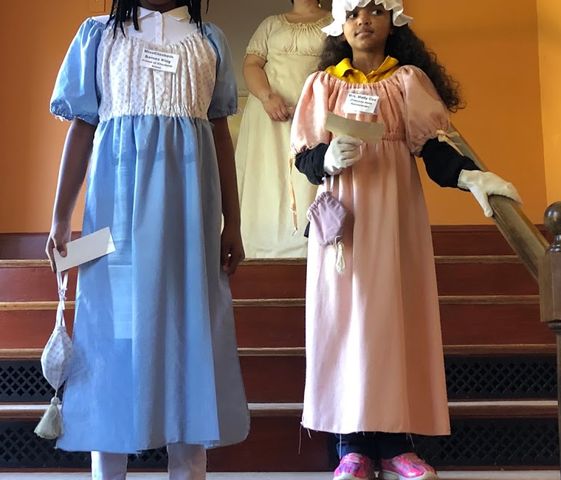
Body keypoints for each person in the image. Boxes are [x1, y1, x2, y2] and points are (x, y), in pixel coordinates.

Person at [290, 1, 521, 479]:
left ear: (394, 20)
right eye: (354, 13)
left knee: (395, 321)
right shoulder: (323, 85)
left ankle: (397, 445)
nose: (364, 20)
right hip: (345, 225)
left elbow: (432, 148)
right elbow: (305, 156)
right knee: (347, 323)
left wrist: (471, 177)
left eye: (375, 10)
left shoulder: (407, 81)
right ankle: (351, 447)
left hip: (395, 220)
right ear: (340, 25)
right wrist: (326, 160)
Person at [45, 1, 249, 478]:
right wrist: (60, 218)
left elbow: (220, 136)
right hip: (115, 219)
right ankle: (108, 469)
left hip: (189, 224)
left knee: (191, 337)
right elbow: (82, 128)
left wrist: (234, 222)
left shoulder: (208, 40)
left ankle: (189, 468)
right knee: (111, 338)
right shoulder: (99, 36)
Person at [235, 0, 330, 258]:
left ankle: (307, 248)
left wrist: (311, 105)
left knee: (306, 175)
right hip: (267, 114)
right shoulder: (270, 24)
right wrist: (267, 97)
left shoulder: (336, 22)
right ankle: (258, 247)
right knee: (267, 173)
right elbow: (251, 64)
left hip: (313, 114)